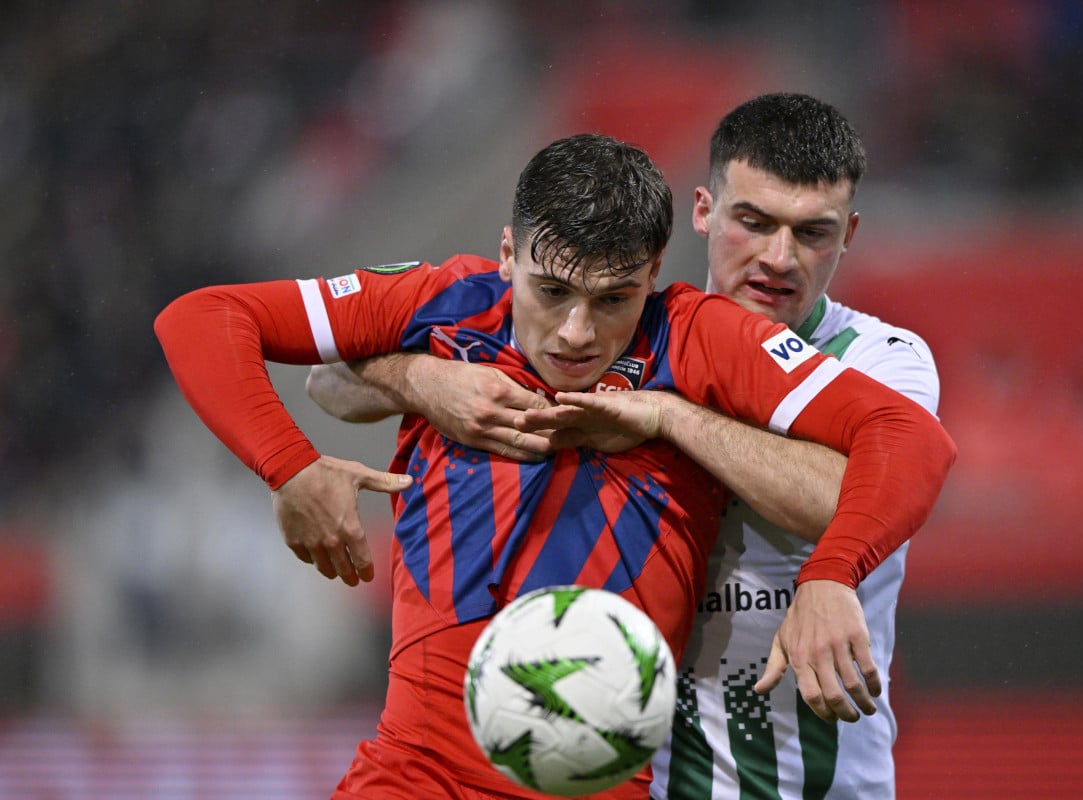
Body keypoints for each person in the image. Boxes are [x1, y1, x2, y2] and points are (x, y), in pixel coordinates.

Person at [156, 132, 955, 799]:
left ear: (652, 275)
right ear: (507, 254)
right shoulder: (448, 304)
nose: (576, 332)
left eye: (613, 300)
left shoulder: (697, 337)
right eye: (551, 291)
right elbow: (203, 318)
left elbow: (912, 438)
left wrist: (830, 573)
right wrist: (291, 466)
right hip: (410, 776)